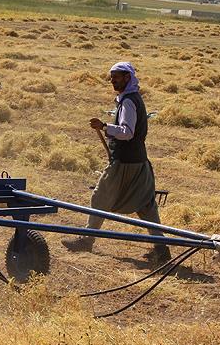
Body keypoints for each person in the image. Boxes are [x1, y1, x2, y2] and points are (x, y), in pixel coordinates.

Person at [61, 62, 170, 264]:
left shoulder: (128, 102)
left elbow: (127, 132)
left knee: (100, 197)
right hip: (139, 160)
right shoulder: (132, 98)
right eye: (111, 77)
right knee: (146, 205)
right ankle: (161, 249)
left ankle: (87, 240)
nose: (113, 80)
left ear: (127, 77)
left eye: (117, 77)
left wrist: (104, 126)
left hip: (124, 162)